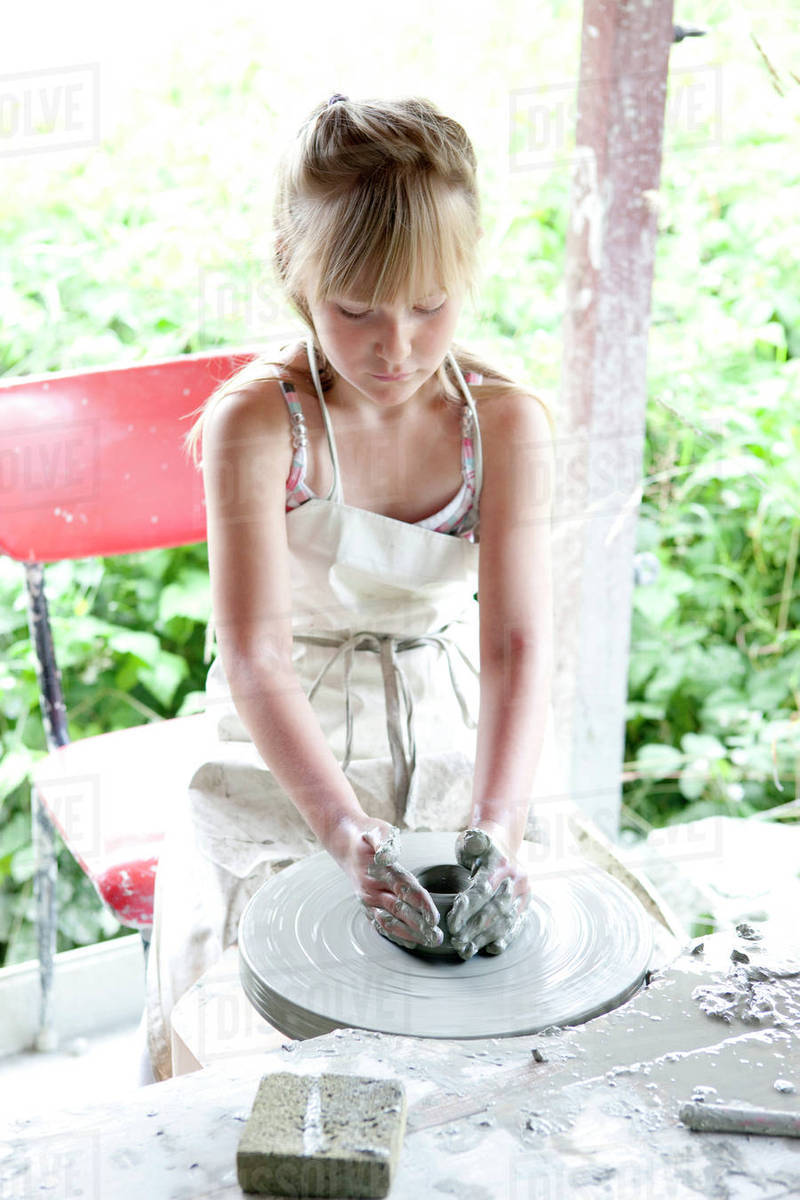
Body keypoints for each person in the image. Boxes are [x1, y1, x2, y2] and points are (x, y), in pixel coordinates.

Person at [145, 94, 562, 1081]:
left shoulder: (504, 423)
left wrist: (498, 826)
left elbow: (516, 648)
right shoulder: (260, 423)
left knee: (506, 975)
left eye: (429, 306)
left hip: (448, 712)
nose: (396, 347)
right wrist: (344, 833)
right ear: (295, 272)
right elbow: (255, 657)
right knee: (271, 1002)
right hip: (284, 732)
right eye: (357, 310)